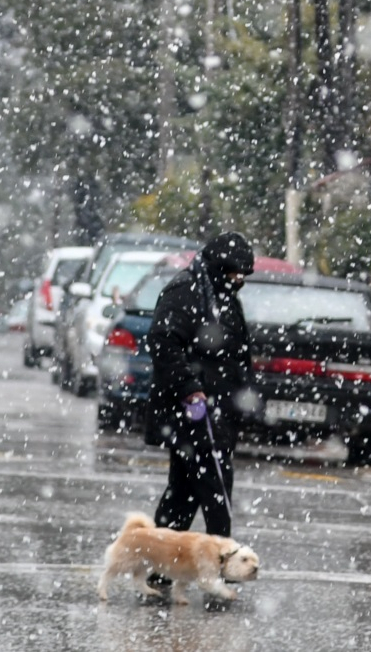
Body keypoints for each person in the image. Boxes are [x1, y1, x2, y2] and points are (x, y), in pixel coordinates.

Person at [147, 231, 254, 538]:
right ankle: (222, 557)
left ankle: (160, 562)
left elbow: (236, 352)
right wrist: (190, 388)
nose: (239, 280)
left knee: (184, 491)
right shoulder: (186, 292)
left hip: (218, 407)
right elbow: (163, 342)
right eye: (235, 273)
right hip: (194, 410)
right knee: (216, 485)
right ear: (220, 267)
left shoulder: (221, 295)